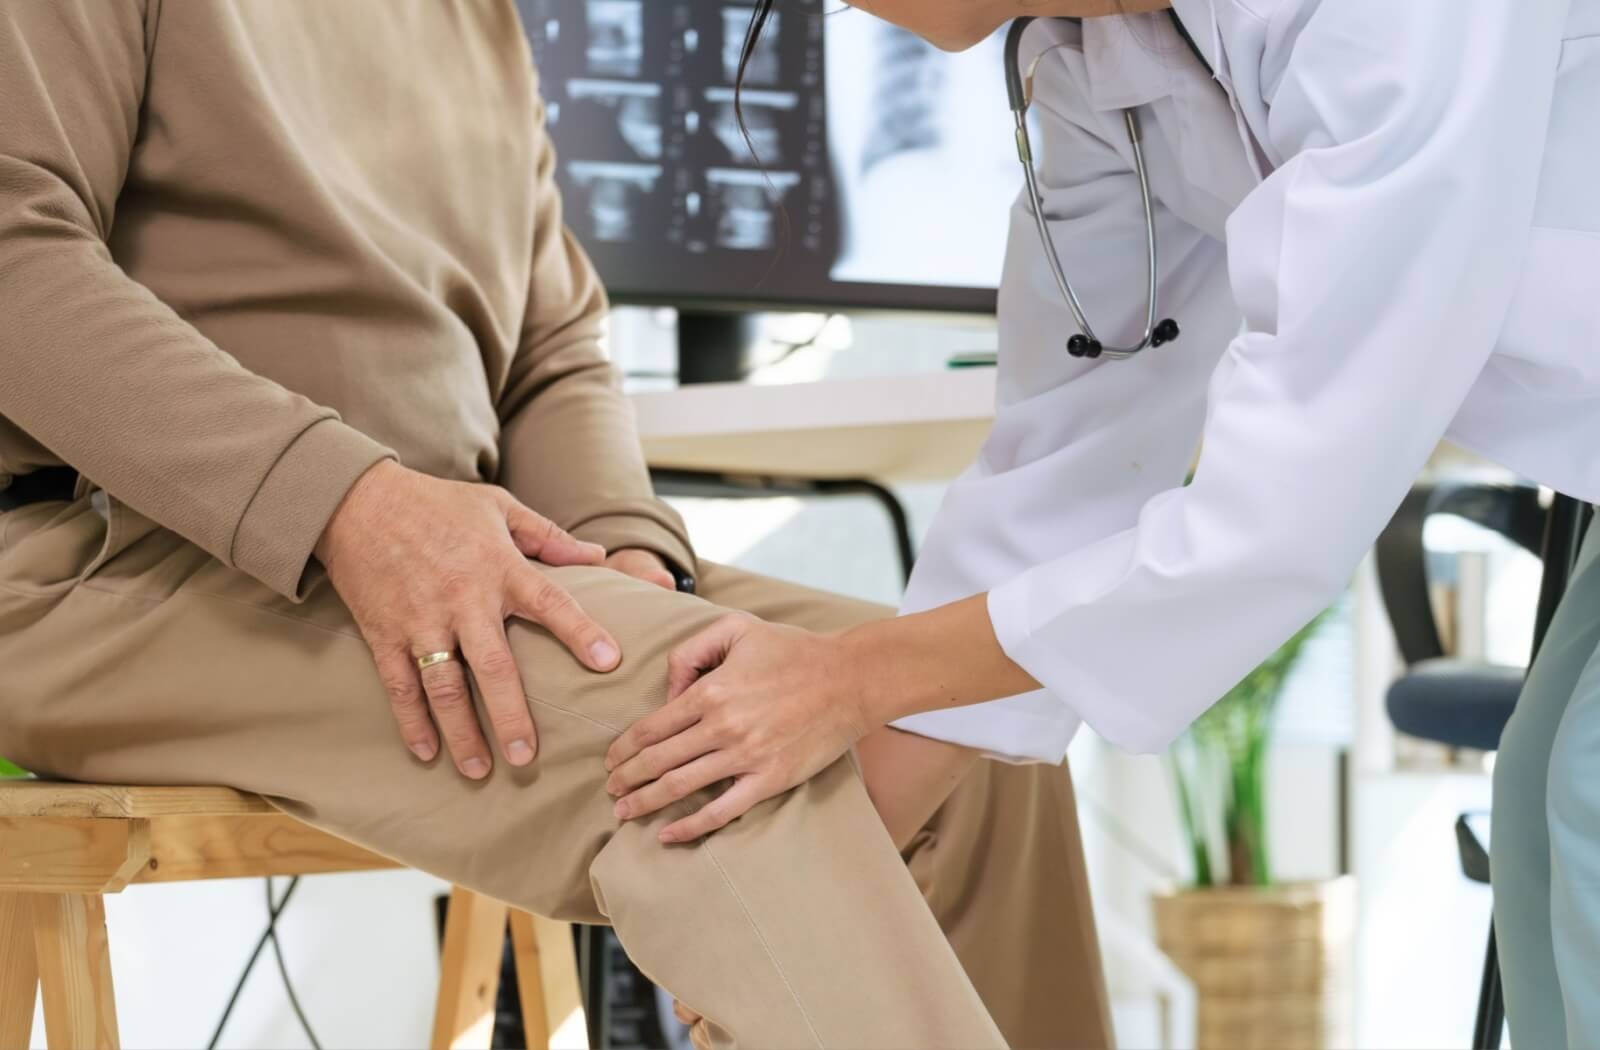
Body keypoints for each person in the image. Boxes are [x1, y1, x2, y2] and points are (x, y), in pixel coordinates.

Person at [0, 3, 1115, 1047]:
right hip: (114, 564)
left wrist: (625, 552)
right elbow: (15, 255)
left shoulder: (472, 19)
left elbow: (552, 344)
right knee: (714, 737)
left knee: (966, 716)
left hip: (451, 547)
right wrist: (350, 504)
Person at [607, 0, 1600, 1044]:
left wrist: (852, 677)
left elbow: (1294, 492)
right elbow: (1072, 458)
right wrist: (814, 887)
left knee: (1583, 798)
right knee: (1540, 810)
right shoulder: (1095, 67)